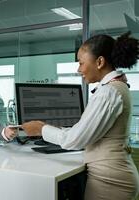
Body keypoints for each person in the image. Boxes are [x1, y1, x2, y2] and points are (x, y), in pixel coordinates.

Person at [22, 32, 139, 200]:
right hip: (114, 175)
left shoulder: (108, 93)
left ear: (99, 62)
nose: (79, 69)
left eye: (81, 63)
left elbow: (75, 140)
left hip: (110, 182)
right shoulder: (116, 87)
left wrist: (41, 129)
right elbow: (84, 131)